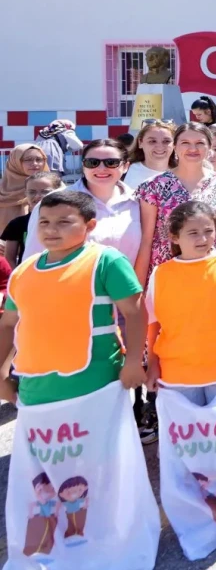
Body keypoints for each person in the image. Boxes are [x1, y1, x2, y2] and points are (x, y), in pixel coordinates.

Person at [0, 190, 147, 407]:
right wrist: (2, 374)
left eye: (63, 222)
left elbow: (135, 313)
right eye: (44, 222)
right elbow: (8, 324)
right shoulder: (23, 271)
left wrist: (134, 361)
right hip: (34, 391)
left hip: (97, 385)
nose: (51, 229)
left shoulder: (107, 261)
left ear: (90, 225)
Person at [145, 200, 216, 404]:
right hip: (176, 372)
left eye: (209, 231)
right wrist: (152, 362)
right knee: (187, 424)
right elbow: (153, 323)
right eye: (193, 233)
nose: (203, 239)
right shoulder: (161, 273)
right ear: (174, 237)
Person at [134, 123, 216, 286]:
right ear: (175, 147)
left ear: (209, 147)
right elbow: (146, 239)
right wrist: (138, 287)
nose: (192, 148)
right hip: (166, 272)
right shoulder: (153, 186)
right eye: (185, 143)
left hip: (210, 270)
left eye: (200, 143)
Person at [23, 138, 142, 267]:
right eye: (92, 162)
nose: (101, 168)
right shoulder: (55, 201)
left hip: (129, 280)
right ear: (84, 166)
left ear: (126, 166)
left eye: (111, 162)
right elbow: (33, 256)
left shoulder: (140, 202)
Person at [3, 172, 61, 267]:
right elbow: (9, 257)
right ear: (25, 193)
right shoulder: (17, 223)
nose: (38, 196)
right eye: (32, 192)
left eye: (45, 192)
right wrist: (17, 274)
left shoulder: (67, 221)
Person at [0, 145, 48, 230]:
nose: (34, 164)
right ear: (15, 162)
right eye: (28, 160)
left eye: (39, 159)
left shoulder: (56, 187)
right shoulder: (3, 192)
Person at [124, 120, 176, 189]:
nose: (159, 147)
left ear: (174, 144)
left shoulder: (185, 172)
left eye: (166, 141)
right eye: (152, 141)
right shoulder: (122, 171)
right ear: (140, 143)